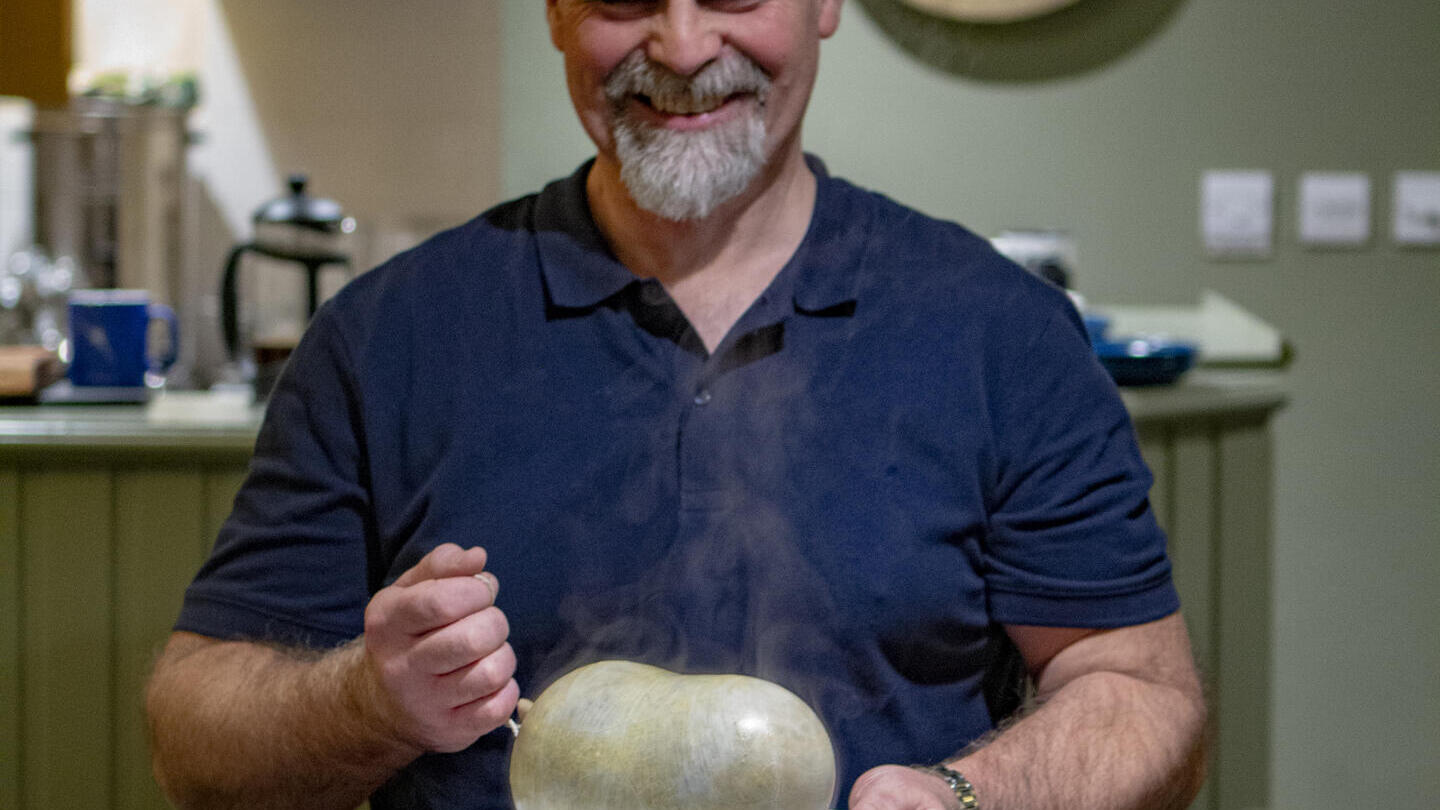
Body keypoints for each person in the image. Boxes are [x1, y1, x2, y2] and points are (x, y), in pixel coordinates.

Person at [146, 1, 1206, 808]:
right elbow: (194, 737)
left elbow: (1138, 690)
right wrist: (368, 702)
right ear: (556, 11)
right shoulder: (390, 335)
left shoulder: (1000, 331)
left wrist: (967, 796)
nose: (685, 47)